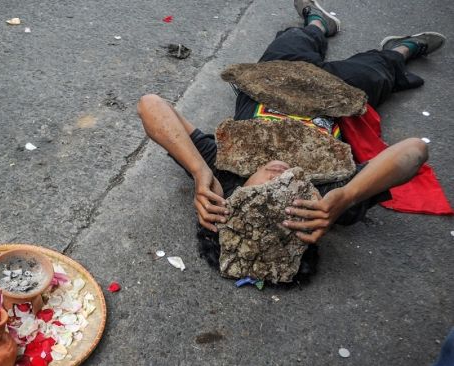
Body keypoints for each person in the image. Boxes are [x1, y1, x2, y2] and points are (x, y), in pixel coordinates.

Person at [137, 0, 445, 274]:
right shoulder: (324, 202)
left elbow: (151, 105)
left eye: (264, 196)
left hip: (274, 80)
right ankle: (402, 48)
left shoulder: (222, 178)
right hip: (337, 93)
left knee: (293, 39)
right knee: (381, 69)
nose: (279, 180)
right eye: (286, 200)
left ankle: (318, 24)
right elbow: (415, 150)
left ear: (238, 196)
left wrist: (198, 170)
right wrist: (348, 196)